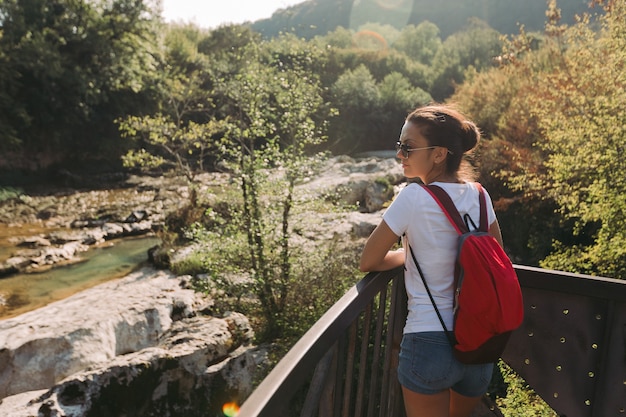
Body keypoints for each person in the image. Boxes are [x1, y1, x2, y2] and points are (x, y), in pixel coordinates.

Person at [359, 103, 504, 417]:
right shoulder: (481, 195)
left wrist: (408, 256)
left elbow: (369, 260)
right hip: (478, 343)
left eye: (408, 147)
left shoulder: (413, 197)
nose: (400, 154)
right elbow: (497, 261)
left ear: (439, 153)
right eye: (400, 146)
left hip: (428, 341)